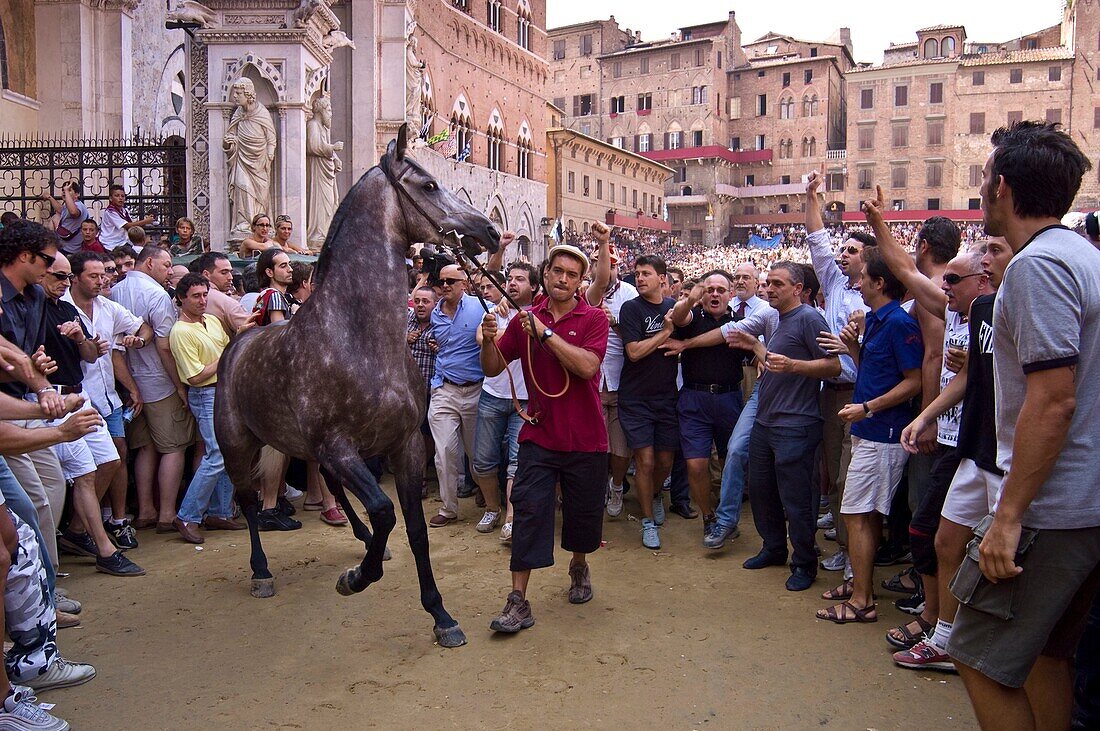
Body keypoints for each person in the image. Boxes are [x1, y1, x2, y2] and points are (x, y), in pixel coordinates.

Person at [948, 121, 1100, 730]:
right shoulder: (1083, 256)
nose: (983, 189)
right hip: (1082, 504)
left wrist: (1008, 517)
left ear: (1002, 187)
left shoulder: (1039, 267)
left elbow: (1053, 399)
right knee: (1045, 655)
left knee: (977, 656)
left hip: (1051, 507)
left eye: (985, 177)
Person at [480, 241, 609, 632]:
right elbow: (492, 368)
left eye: (573, 275)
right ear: (546, 274)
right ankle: (518, 601)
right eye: (558, 272)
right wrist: (488, 339)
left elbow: (587, 367)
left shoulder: (594, 318)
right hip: (538, 436)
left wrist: (546, 334)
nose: (564, 280)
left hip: (587, 439)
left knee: (582, 520)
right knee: (529, 514)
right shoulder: (525, 319)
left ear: (581, 280)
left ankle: (579, 564)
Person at [816, 244, 923, 623]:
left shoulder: (898, 323)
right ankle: (860, 583)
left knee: (857, 513)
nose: (856, 284)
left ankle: (862, 601)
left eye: (862, 278)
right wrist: (851, 348)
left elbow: (914, 381)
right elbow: (874, 373)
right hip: (869, 427)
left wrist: (868, 408)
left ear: (879, 282)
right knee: (864, 514)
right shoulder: (876, 320)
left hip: (882, 432)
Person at [732, 262, 839, 591]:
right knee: (763, 491)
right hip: (767, 421)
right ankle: (774, 548)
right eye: (768, 282)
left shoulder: (809, 318)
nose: (770, 288)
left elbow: (834, 366)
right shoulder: (778, 318)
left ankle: (804, 562)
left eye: (777, 283)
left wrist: (795, 365)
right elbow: (777, 363)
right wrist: (757, 348)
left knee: (796, 499)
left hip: (797, 424)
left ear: (797, 289)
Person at [39, 255, 144, 577]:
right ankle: (104, 548)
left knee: (110, 460)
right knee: (84, 473)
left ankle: (76, 530)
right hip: (50, 397)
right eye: (60, 276)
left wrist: (81, 339)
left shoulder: (68, 309)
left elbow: (89, 354)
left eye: (67, 276)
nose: (64, 282)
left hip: (78, 394)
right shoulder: (34, 309)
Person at [64, 252, 152, 550]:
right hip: (75, 399)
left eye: (104, 274)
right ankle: (85, 525)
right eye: (94, 275)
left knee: (116, 456)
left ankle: (111, 519)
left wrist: (137, 340)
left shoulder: (109, 307)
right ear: (75, 277)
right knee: (93, 466)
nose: (102, 280)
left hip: (107, 397)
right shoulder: (61, 307)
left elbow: (144, 327)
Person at [803, 171, 867, 576]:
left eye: (852, 250)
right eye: (842, 249)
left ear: (870, 259)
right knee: (832, 468)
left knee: (850, 477)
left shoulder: (883, 295)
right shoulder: (836, 283)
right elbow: (816, 240)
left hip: (861, 396)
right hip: (830, 391)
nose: (841, 255)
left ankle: (851, 556)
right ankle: (844, 542)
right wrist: (811, 196)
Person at [109, 246, 196, 531]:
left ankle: (146, 508)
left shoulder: (115, 291)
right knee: (173, 447)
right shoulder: (157, 295)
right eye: (167, 264)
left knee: (145, 447)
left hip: (127, 383)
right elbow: (164, 345)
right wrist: (179, 386)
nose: (170, 271)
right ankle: (167, 513)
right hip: (158, 382)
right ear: (149, 263)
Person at [168, 274, 247, 543]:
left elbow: (228, 351)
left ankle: (220, 512)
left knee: (224, 452)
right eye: (196, 296)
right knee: (216, 455)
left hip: (223, 391)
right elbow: (195, 377)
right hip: (205, 394)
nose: (202, 301)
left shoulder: (211, 320)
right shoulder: (180, 332)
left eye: (204, 295)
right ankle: (187, 515)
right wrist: (226, 357)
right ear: (181, 298)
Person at [667, 271, 746, 540]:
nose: (714, 294)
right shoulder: (693, 317)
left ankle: (727, 516)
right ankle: (708, 517)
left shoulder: (741, 322)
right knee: (696, 465)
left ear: (730, 293)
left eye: (720, 290)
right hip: (694, 400)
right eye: (709, 289)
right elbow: (678, 317)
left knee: (730, 462)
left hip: (729, 399)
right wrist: (690, 300)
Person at [617, 254, 680, 549]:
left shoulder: (672, 308)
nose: (639, 279)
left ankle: (654, 496)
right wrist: (665, 333)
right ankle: (646, 520)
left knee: (665, 462)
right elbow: (634, 352)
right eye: (637, 274)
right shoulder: (631, 308)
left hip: (667, 397)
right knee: (645, 460)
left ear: (662, 279)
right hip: (636, 398)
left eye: (646, 274)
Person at [472, 261, 537, 540]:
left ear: (534, 286)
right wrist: (507, 328)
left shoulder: (539, 313)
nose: (512, 283)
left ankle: (511, 517)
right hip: (492, 394)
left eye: (520, 279)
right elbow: (480, 339)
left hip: (524, 399)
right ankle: (492, 508)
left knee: (516, 463)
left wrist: (506, 330)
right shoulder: (494, 311)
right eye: (510, 278)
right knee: (483, 461)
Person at [583, 224, 637, 519]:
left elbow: (637, 337)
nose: (607, 269)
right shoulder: (585, 294)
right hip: (591, 384)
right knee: (594, 448)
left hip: (619, 383)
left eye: (612, 265)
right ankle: (599, 486)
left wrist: (613, 321)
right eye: (601, 263)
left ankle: (617, 485)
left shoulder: (630, 294)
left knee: (619, 449)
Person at [426, 263, 484, 528]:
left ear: (464, 284)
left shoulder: (481, 306)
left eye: (451, 281)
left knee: (477, 455)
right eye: (442, 281)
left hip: (476, 391)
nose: (445, 285)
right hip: (444, 390)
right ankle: (449, 508)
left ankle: (486, 491)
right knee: (445, 452)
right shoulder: (434, 313)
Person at [189, 251, 250, 338]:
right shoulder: (227, 303)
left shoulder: (180, 296)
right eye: (224, 272)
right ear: (206, 274)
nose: (230, 277)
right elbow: (254, 334)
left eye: (230, 272)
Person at [99, 185, 155, 252]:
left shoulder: (124, 210)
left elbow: (132, 224)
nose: (120, 198)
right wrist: (145, 221)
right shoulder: (110, 212)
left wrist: (146, 221)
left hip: (122, 242)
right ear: (111, 198)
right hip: (111, 243)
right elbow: (127, 225)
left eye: (122, 196)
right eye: (117, 196)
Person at [39, 181, 89, 255]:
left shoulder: (78, 205)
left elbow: (73, 212)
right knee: (55, 217)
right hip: (64, 246)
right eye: (63, 190)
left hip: (70, 250)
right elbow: (60, 210)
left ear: (77, 194)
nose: (64, 192)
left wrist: (66, 191)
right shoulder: (68, 206)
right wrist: (50, 197)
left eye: (69, 190)